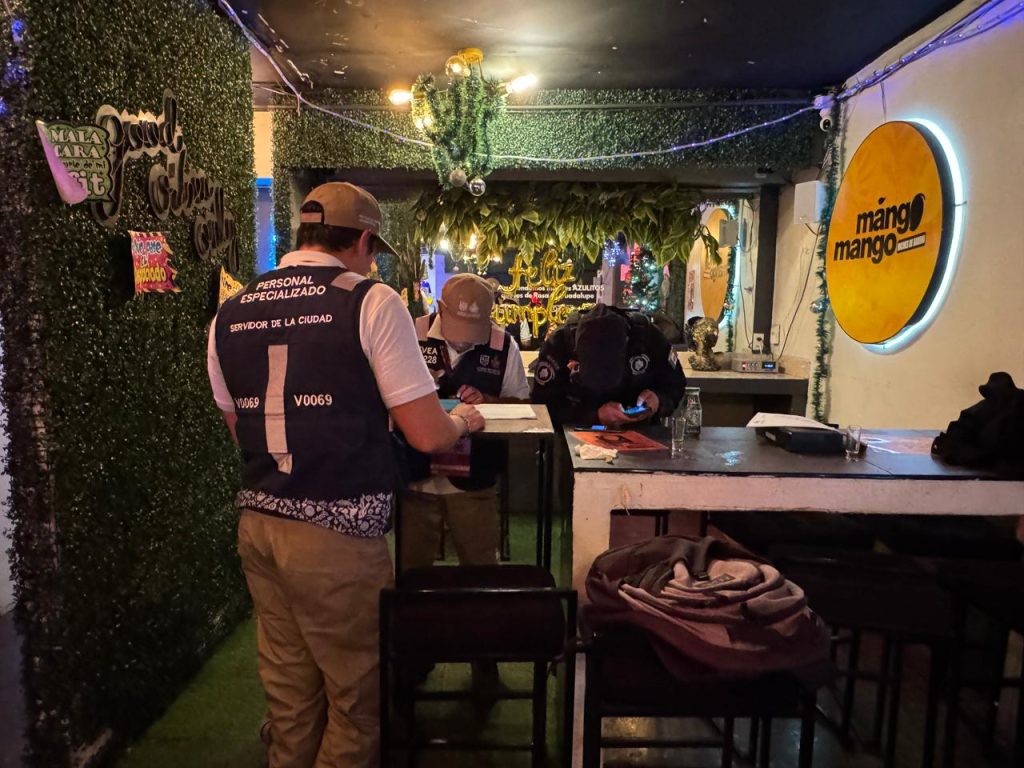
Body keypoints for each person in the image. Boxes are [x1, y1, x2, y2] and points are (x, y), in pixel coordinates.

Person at [207, 181, 484, 768]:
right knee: (358, 702)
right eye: (372, 250)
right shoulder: (371, 301)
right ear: (362, 241)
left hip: (259, 525)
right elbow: (426, 434)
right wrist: (463, 421)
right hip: (338, 532)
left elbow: (239, 428)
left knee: (289, 694)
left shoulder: (230, 311)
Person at [401, 273, 530, 573]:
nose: (463, 338)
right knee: (411, 571)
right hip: (417, 473)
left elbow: (523, 405)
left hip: (475, 475)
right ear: (440, 309)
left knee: (480, 568)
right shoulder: (411, 332)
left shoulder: (502, 344)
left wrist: (487, 400)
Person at [531, 303, 686, 428]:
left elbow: (676, 384)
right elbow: (543, 407)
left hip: (642, 434)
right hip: (577, 434)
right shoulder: (559, 346)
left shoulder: (649, 339)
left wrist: (658, 400)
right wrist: (594, 416)